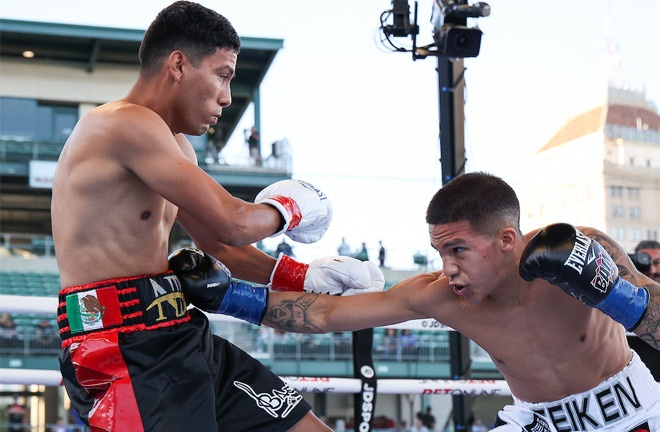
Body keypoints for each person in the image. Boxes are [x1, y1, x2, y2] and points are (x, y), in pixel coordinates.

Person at [51, 2, 383, 431]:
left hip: (181, 334)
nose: (227, 97)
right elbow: (235, 221)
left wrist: (305, 277)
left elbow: (221, 245)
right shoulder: (120, 124)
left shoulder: (176, 146)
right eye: (223, 74)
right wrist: (290, 208)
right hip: (120, 348)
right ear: (178, 65)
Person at [259, 172, 660, 431]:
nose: (447, 268)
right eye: (440, 253)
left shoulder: (585, 247)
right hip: (536, 423)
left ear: (505, 240)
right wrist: (227, 296)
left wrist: (616, 295)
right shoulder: (440, 295)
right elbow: (328, 314)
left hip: (633, 414)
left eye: (458, 250)